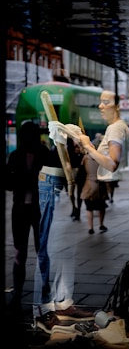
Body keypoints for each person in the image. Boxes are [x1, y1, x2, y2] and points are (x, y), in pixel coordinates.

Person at [33, 139, 94, 334]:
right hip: (53, 183)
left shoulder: (68, 149)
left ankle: (63, 302)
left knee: (66, 249)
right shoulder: (55, 147)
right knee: (47, 250)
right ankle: (42, 310)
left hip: (62, 183)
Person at [5, 121, 50, 311]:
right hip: (22, 208)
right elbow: (7, 182)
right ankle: (19, 292)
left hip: (38, 208)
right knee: (20, 251)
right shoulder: (16, 156)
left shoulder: (44, 154)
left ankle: (43, 289)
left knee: (39, 251)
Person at [79, 90, 129, 209]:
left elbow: (112, 164)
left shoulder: (115, 128)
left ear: (117, 107)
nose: (100, 106)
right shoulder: (117, 126)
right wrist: (90, 148)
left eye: (106, 102)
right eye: (101, 102)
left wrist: (88, 147)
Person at [80, 141, 109, 234]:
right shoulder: (102, 159)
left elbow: (81, 173)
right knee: (102, 207)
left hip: (89, 185)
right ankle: (101, 224)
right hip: (100, 185)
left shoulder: (85, 158)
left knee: (89, 207)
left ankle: (90, 227)